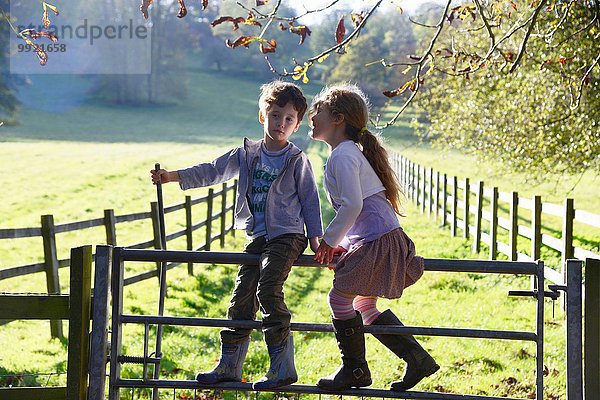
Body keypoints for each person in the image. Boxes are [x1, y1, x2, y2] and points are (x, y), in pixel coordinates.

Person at [150, 80, 323, 389]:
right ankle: (229, 366)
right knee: (241, 299)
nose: (280, 124)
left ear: (296, 125)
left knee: (268, 291)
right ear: (262, 116)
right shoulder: (246, 154)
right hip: (257, 238)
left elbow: (310, 199)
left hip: (288, 236)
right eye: (275, 115)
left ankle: (282, 368)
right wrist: (171, 176)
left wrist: (315, 238)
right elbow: (212, 169)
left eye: (288, 119)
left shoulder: (297, 160)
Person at [308, 83, 439, 392]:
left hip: (379, 240)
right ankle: (417, 360)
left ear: (338, 118)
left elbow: (353, 205)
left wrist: (328, 241)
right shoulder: (349, 152)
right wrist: (346, 243)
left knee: (338, 298)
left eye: (319, 111)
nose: (312, 116)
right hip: (380, 237)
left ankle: (355, 370)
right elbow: (360, 209)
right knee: (365, 306)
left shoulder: (343, 156)